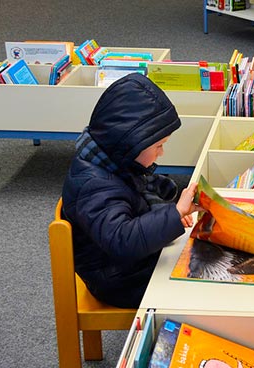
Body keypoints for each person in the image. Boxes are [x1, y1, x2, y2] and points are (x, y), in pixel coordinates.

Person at [61, 73, 200, 309]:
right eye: (158, 146)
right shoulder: (93, 186)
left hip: (127, 264)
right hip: (117, 279)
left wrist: (167, 204)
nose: (161, 153)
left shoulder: (111, 161)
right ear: (129, 144)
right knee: (198, 284)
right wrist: (173, 214)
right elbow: (122, 240)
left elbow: (137, 192)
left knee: (199, 256)